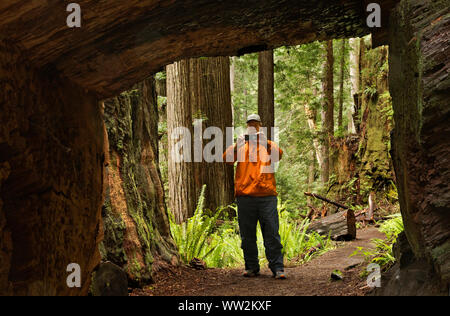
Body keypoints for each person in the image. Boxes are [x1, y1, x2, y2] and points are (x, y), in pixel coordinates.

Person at [222, 114, 286, 279]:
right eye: (250, 125)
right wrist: (237, 144)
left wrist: (266, 142)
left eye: (256, 125)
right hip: (245, 197)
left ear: (260, 126)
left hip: (267, 196)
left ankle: (278, 268)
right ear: (247, 127)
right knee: (247, 234)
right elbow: (227, 160)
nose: (253, 128)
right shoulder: (241, 145)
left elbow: (279, 155)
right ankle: (251, 267)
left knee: (272, 233)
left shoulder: (267, 144)